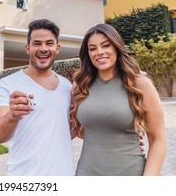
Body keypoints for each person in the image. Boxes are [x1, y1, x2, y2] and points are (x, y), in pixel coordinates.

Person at [70, 23, 166, 176]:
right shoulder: (79, 85)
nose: (99, 52)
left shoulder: (140, 84)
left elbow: (158, 140)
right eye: (92, 48)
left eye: (106, 45)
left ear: (116, 46)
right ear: (87, 54)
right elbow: (82, 130)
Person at [0, 19, 74, 175]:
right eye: (37, 43)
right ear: (27, 48)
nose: (43, 49)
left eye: (49, 43)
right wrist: (12, 116)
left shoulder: (67, 86)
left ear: (57, 48)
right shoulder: (7, 84)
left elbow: (67, 131)